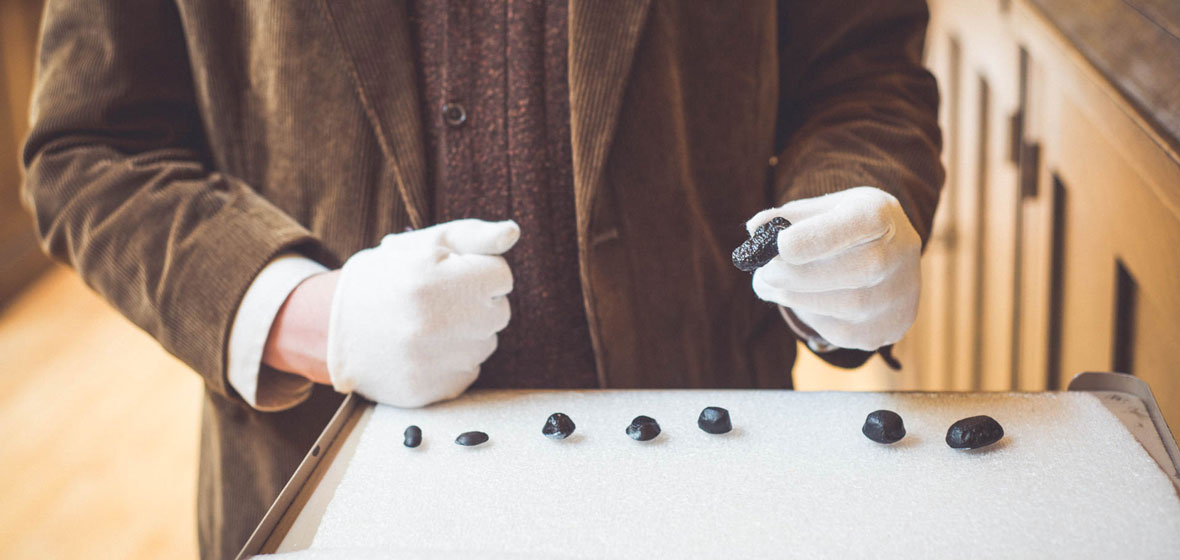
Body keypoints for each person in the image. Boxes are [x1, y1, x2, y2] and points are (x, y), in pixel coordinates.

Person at [22, 1, 942, 558]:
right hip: (330, 498)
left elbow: (861, 71)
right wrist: (318, 317)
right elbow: (90, 147)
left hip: (708, 488)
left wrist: (852, 209)